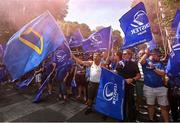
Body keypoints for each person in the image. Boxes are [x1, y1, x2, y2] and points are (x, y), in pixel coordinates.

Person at [139, 48, 169, 122]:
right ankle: (151, 120)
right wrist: (146, 53)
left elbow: (163, 73)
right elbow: (141, 61)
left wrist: (154, 68)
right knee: (150, 105)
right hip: (149, 88)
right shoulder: (146, 62)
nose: (159, 57)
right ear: (153, 54)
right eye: (158, 55)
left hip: (161, 88)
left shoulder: (160, 63)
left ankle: (167, 121)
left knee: (164, 107)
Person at [116, 49, 141, 122]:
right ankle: (122, 118)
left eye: (125, 54)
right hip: (121, 87)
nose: (123, 55)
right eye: (123, 54)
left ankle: (132, 119)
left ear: (129, 55)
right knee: (121, 103)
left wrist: (132, 79)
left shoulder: (134, 64)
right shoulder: (120, 63)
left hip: (130, 87)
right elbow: (117, 73)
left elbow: (138, 76)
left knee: (131, 104)